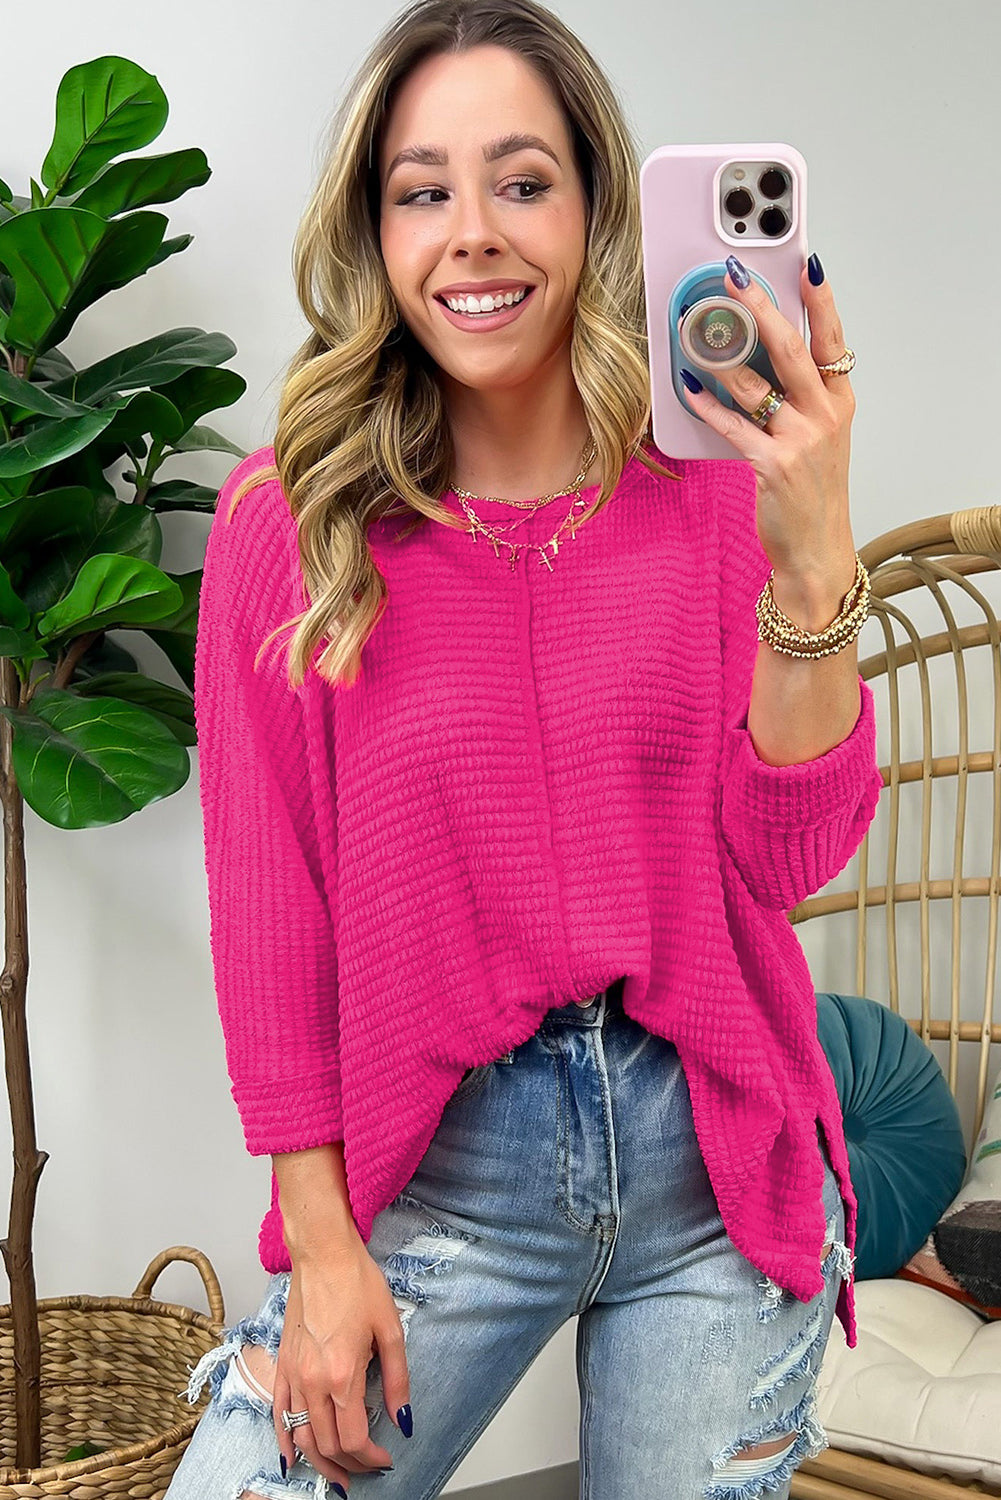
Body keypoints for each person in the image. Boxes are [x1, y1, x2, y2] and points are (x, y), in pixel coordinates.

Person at [166, 2, 880, 1496]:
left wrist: (812, 560)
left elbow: (789, 859)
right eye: (422, 190)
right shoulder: (289, 524)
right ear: (375, 232)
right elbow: (271, 916)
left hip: (715, 1163)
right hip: (441, 1173)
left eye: (522, 180)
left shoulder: (713, 489)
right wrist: (321, 1244)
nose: (472, 234)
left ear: (596, 207)